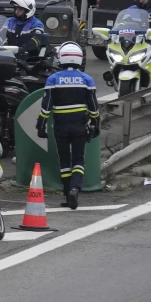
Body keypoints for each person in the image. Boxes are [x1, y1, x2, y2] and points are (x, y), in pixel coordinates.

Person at [36, 42, 100, 211]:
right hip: (79, 125)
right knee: (78, 160)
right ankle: (75, 188)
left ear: (61, 58)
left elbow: (46, 106)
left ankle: (66, 193)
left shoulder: (53, 79)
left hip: (60, 125)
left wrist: (40, 125)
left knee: (64, 160)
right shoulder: (86, 79)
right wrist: (96, 123)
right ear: (79, 59)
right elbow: (94, 107)